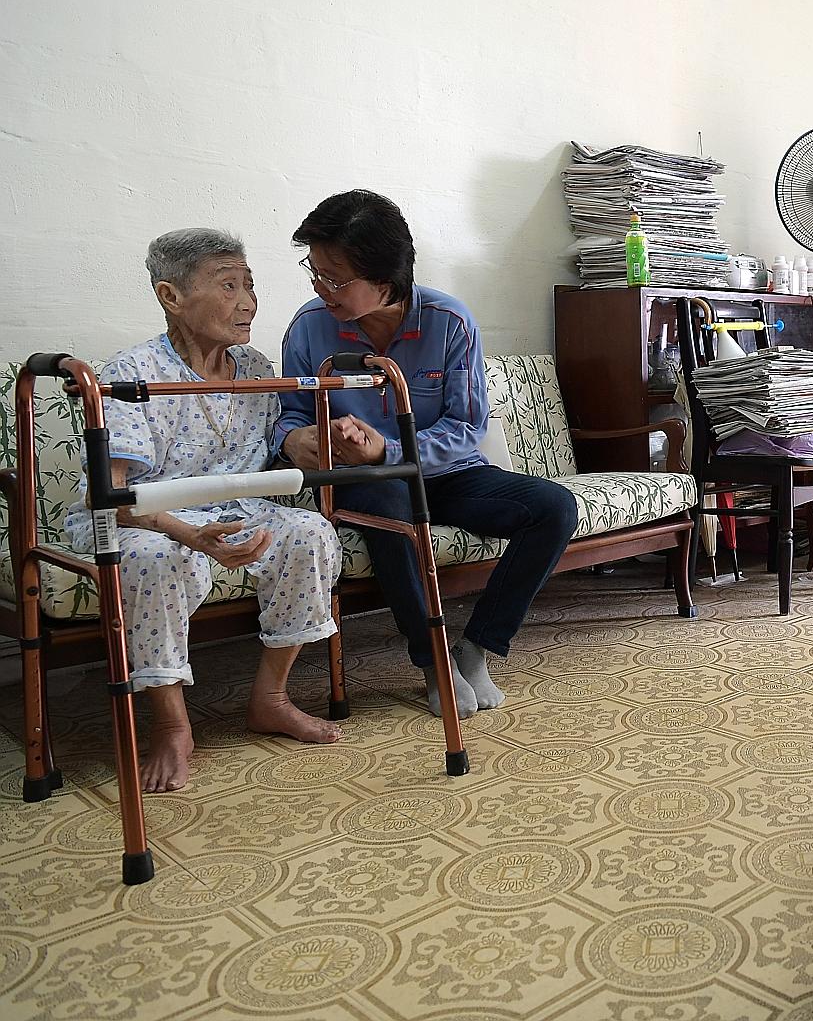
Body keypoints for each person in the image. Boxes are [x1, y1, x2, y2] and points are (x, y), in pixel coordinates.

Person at [274, 190, 578, 719]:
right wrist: (294, 440)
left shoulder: (449, 322)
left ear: (384, 280)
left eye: (335, 278)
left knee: (553, 508)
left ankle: (476, 646)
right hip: (365, 480)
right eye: (314, 271)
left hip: (446, 473)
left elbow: (467, 427)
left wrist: (389, 449)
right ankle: (432, 659)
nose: (321, 287)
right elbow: (290, 413)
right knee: (390, 504)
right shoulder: (308, 328)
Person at [64, 229, 344, 793]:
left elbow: (275, 450)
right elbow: (109, 497)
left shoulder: (256, 367)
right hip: (144, 516)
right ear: (171, 296)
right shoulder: (132, 373)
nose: (248, 303)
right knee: (157, 560)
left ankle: (271, 699)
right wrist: (190, 536)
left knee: (310, 531)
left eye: (250, 286)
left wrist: (314, 440)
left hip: (237, 506)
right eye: (228, 286)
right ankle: (172, 727)